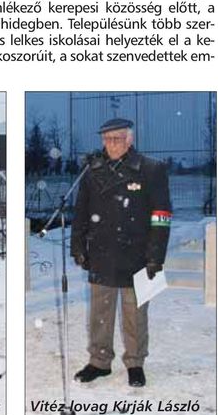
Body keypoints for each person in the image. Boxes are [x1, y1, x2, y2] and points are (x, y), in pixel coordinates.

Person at [71, 117, 172, 389]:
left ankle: (135, 362)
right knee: (100, 312)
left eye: (116, 139)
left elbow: (161, 216)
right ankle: (99, 361)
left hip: (138, 254)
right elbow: (81, 210)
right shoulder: (93, 170)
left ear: (130, 140)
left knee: (135, 312)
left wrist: (156, 256)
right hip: (101, 252)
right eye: (106, 139)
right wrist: (78, 245)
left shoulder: (151, 169)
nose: (111, 145)